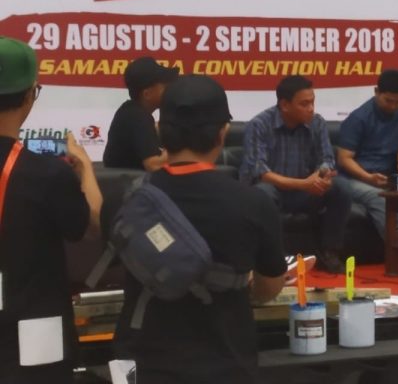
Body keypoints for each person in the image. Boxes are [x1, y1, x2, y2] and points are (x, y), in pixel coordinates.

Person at [104, 74, 286, 384]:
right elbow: (269, 288)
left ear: (160, 131)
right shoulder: (253, 204)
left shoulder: (127, 198)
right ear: (222, 133)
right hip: (224, 365)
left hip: (138, 364)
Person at [0, 36, 101, 384]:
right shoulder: (48, 173)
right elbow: (89, 225)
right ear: (30, 95)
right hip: (36, 334)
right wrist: (85, 167)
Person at [239, 75, 351, 274]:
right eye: (304, 104)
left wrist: (321, 176)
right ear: (285, 105)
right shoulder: (259, 125)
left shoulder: (317, 123)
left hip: (304, 192)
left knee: (341, 188)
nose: (311, 108)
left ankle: (329, 252)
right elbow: (260, 172)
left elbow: (326, 159)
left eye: (312, 102)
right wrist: (304, 184)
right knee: (264, 192)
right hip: (272, 191)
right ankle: (276, 258)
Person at [335, 69, 398, 239]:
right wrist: (368, 177)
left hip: (387, 176)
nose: (393, 106)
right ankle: (396, 246)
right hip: (354, 179)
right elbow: (344, 159)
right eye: (388, 101)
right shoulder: (358, 118)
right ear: (376, 92)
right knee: (379, 197)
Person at [103, 56, 179, 171]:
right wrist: (184, 148)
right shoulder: (137, 117)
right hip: (128, 182)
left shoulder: (131, 112)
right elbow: (153, 165)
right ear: (147, 94)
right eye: (165, 87)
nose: (170, 90)